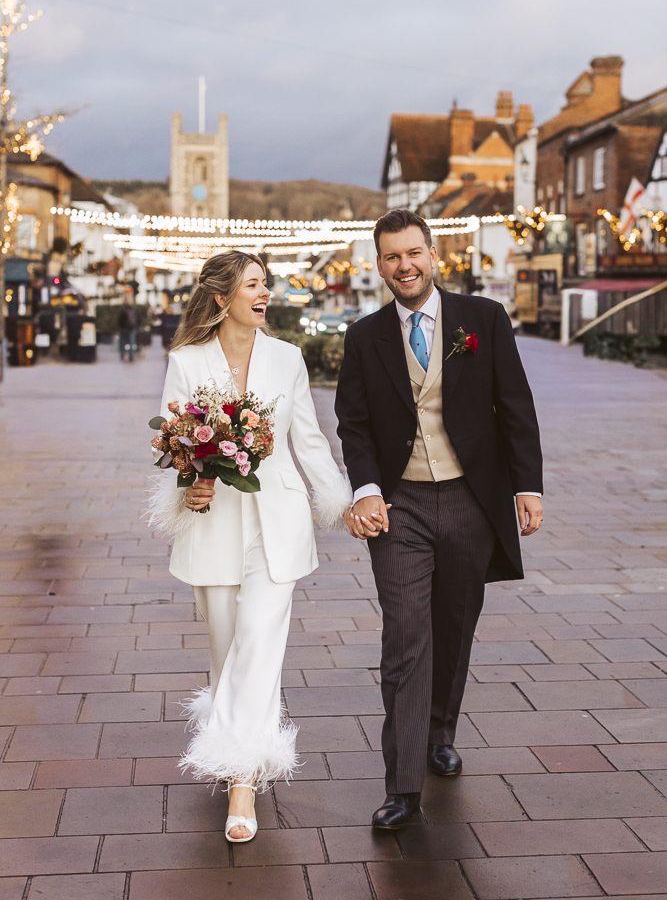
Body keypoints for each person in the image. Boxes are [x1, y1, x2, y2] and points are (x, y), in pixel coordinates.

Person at [335, 209, 543, 829]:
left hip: (471, 499)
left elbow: (516, 405)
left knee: (454, 627)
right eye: (392, 256)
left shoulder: (483, 320)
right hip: (401, 507)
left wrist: (527, 487)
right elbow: (355, 423)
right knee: (404, 637)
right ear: (379, 264)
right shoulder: (364, 336)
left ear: (433, 255)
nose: (405, 266)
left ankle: (438, 734)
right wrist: (367, 489)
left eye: (414, 253)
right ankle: (402, 784)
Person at [148, 251, 351, 842]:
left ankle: (241, 783)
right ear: (221, 298)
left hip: (278, 520)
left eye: (266, 284)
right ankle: (235, 743)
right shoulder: (186, 361)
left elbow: (309, 440)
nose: (264, 294)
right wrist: (189, 482)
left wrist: (341, 498)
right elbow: (173, 442)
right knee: (226, 650)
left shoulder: (287, 358)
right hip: (212, 521)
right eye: (251, 286)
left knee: (260, 640)